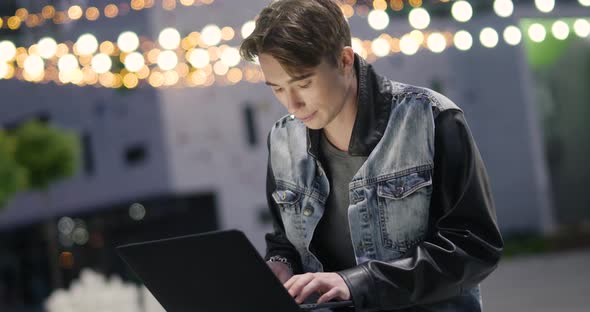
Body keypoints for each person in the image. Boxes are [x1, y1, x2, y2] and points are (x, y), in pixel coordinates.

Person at [240, 0, 503, 311]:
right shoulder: (283, 138)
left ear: (344, 60)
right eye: (277, 89)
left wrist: (358, 282)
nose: (292, 104)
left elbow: (474, 249)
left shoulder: (431, 118)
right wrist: (279, 264)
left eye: (304, 83)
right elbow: (285, 239)